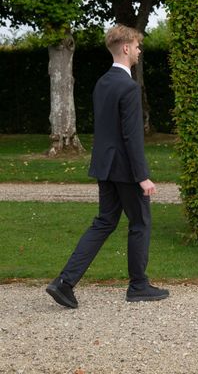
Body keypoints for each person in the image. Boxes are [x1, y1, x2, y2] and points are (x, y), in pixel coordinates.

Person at [46, 24, 169, 308]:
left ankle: (64, 283)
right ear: (126, 48)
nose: (139, 51)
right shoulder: (128, 87)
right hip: (125, 169)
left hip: (105, 166)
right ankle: (138, 286)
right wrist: (143, 177)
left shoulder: (102, 83)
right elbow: (131, 136)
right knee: (140, 222)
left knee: (104, 222)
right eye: (137, 46)